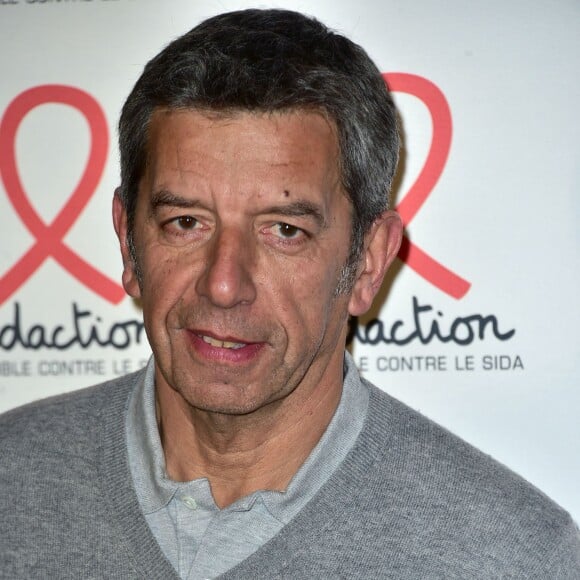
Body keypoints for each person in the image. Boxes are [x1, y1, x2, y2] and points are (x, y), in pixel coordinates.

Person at [1, 8, 579, 579]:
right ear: (129, 244)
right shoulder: (10, 481)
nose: (224, 285)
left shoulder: (517, 558)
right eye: (186, 222)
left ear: (368, 261)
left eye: (284, 230)